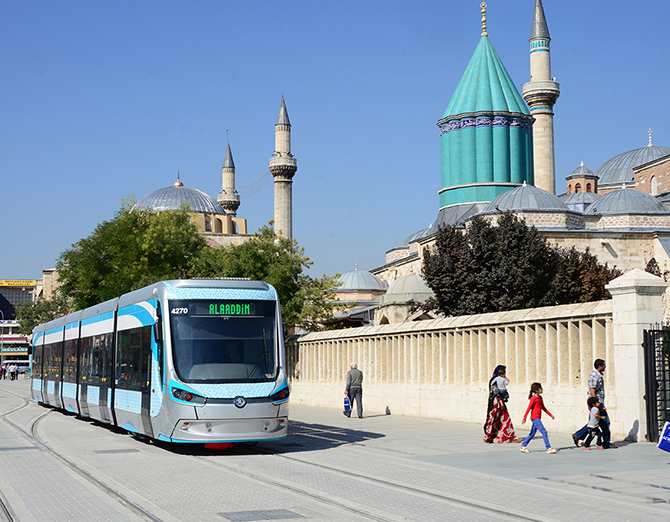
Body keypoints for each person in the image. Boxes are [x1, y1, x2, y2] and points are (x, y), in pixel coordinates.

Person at [572, 359, 613, 448]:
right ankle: (606, 443)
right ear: (599, 366)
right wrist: (598, 405)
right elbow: (592, 391)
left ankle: (579, 435)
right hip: (597, 404)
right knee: (605, 422)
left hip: (598, 403)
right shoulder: (594, 376)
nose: (605, 367)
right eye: (603, 365)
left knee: (594, 423)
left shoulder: (598, 375)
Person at [484, 365, 520, 443]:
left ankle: (509, 435)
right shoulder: (494, 380)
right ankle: (490, 435)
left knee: (504, 417)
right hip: (496, 402)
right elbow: (494, 390)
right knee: (495, 417)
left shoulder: (500, 380)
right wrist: (500, 399)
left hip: (500, 401)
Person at [520, 382, 558, 454]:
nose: (542, 389)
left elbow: (543, 407)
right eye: (540, 388)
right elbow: (529, 408)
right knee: (544, 432)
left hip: (538, 418)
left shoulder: (540, 398)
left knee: (532, 433)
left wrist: (550, 415)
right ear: (536, 390)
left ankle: (523, 446)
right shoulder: (533, 398)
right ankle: (548, 448)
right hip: (535, 418)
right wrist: (524, 418)